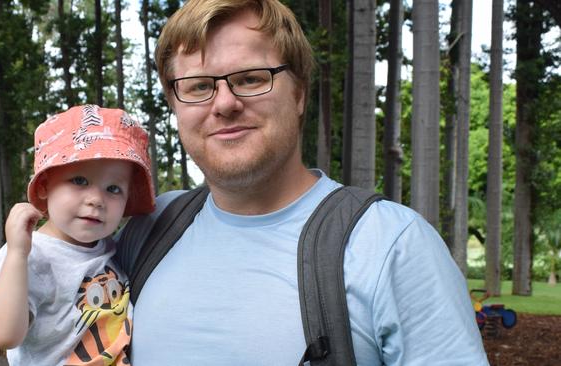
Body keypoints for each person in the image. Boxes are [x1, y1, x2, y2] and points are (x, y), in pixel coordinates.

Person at [115, 0, 489, 365]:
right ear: (174, 104)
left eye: (250, 79)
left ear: (299, 93)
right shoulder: (147, 231)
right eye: (198, 86)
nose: (224, 103)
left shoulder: (392, 245)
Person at [0, 105, 155, 366]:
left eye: (114, 188)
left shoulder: (113, 248)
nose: (96, 200)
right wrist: (16, 254)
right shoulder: (30, 253)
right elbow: (4, 336)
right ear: (45, 184)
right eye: (80, 181)